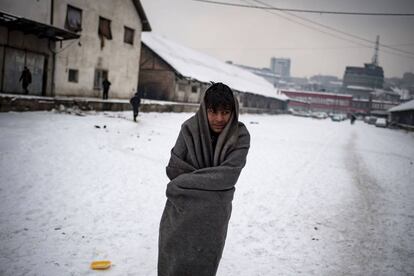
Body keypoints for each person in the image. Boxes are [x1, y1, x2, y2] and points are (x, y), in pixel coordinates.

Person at [158, 82, 250, 276]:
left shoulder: (240, 136)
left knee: (204, 266)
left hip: (213, 219)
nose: (219, 118)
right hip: (180, 214)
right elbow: (174, 168)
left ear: (233, 112)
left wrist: (184, 182)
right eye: (213, 111)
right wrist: (209, 183)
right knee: (173, 263)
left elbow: (227, 176)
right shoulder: (189, 129)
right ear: (204, 109)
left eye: (225, 112)